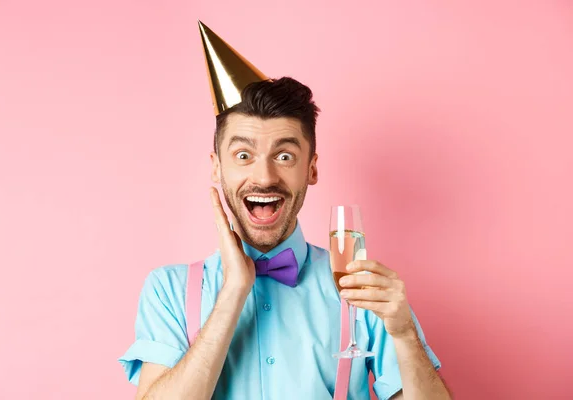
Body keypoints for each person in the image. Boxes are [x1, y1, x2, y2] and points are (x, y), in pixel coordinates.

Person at [119, 21, 451, 400]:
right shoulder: (169, 290)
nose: (264, 176)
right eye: (243, 155)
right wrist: (233, 292)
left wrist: (405, 334)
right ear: (217, 167)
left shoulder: (361, 291)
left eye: (284, 155)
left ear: (310, 168)